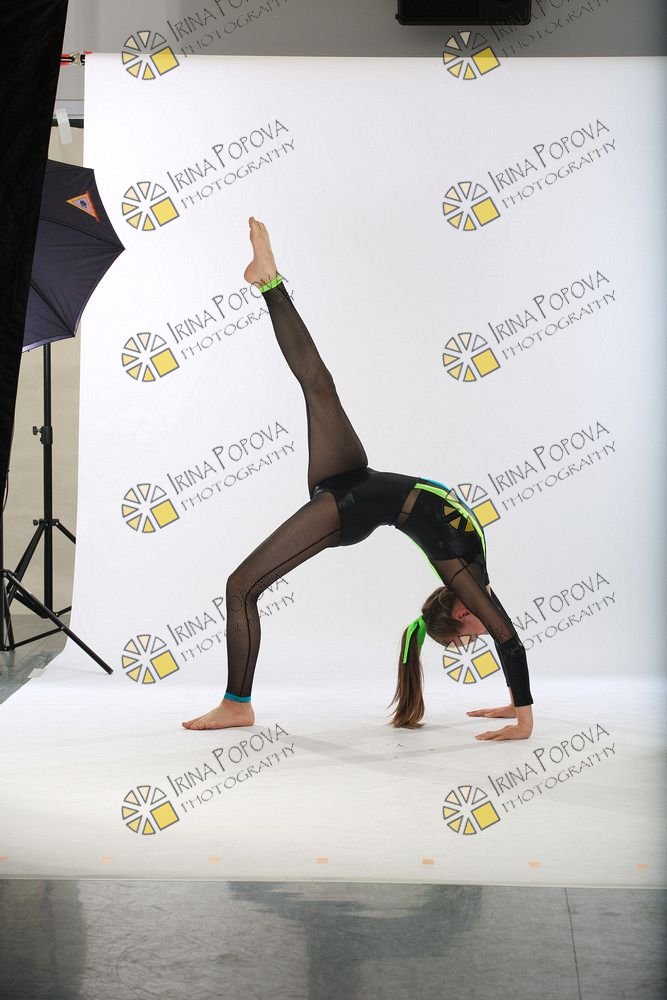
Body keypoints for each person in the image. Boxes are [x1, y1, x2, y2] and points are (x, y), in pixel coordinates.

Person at [183, 218, 533, 741]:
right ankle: (269, 280)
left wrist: (520, 711)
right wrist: (520, 714)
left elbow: (507, 638)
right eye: (472, 636)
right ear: (465, 612)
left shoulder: (463, 575)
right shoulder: (469, 575)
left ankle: (237, 704)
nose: (482, 631)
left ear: (460, 610)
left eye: (469, 638)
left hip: (353, 508)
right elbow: (509, 639)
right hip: (356, 478)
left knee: (241, 587)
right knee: (319, 385)